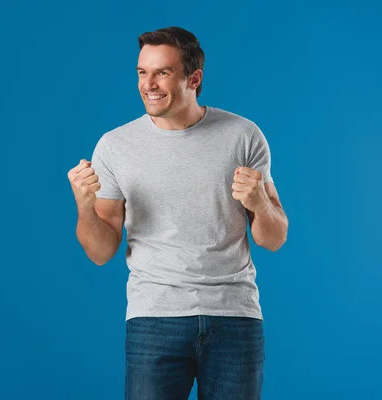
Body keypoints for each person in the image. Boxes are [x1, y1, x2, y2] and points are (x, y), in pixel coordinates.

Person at [67, 26, 288, 399]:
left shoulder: (243, 135)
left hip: (235, 316)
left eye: (162, 72)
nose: (148, 84)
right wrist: (85, 208)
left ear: (194, 78)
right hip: (154, 318)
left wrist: (259, 202)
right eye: (142, 72)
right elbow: (101, 251)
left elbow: (274, 238)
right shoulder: (115, 146)